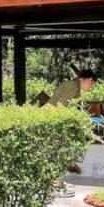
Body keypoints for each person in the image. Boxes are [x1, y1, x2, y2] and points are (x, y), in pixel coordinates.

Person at [40, 69, 98, 198]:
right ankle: (55, 185)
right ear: (89, 80)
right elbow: (61, 105)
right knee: (55, 152)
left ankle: (56, 183)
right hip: (52, 121)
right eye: (92, 84)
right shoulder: (73, 86)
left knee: (55, 152)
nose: (91, 87)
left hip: (51, 120)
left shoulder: (73, 86)